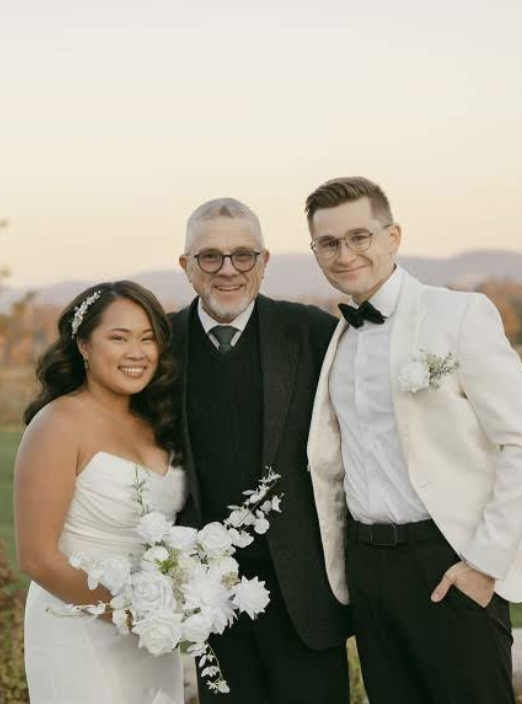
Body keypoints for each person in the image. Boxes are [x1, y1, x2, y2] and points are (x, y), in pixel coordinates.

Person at [304, 177, 522, 703]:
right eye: (328, 243)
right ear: (315, 251)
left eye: (359, 237)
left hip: (448, 560)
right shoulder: (339, 338)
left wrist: (484, 564)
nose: (344, 254)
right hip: (369, 569)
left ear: (392, 236)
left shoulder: (458, 315)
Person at [170, 198, 351, 704]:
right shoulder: (159, 344)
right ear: (185, 266)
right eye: (210, 257)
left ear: (264, 262)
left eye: (243, 255)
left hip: (305, 597)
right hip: (210, 595)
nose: (228, 270)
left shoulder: (315, 334)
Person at [15, 280, 187, 704]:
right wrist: (132, 611)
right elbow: (37, 557)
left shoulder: (157, 422)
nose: (137, 352)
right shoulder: (58, 425)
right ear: (84, 347)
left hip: (151, 636)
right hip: (77, 627)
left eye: (147, 339)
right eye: (119, 337)